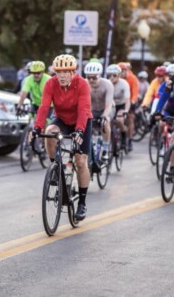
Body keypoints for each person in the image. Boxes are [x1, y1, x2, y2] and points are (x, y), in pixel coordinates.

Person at [31, 54, 92, 221]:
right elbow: (44, 107)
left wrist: (79, 131)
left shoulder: (82, 84)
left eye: (66, 72)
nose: (62, 76)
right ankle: (56, 168)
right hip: (62, 119)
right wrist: (37, 127)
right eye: (59, 72)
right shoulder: (51, 84)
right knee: (50, 131)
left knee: (80, 162)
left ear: (73, 72)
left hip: (82, 121)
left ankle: (82, 203)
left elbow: (83, 109)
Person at [84, 61, 114, 165]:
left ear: (99, 75)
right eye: (88, 77)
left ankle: (105, 149)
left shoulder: (107, 84)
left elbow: (109, 104)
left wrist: (104, 116)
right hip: (93, 110)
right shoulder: (84, 84)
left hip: (106, 108)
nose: (91, 80)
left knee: (105, 122)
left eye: (94, 77)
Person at [107, 64, 131, 152]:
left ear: (119, 75)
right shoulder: (107, 83)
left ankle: (124, 135)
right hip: (110, 105)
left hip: (121, 105)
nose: (111, 77)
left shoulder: (124, 84)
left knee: (119, 120)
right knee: (107, 122)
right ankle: (109, 141)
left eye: (114, 75)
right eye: (109, 75)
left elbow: (127, 100)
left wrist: (126, 110)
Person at [118, 62, 139, 152]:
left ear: (125, 71)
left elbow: (135, 92)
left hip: (130, 100)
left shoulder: (132, 78)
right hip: (119, 102)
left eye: (121, 72)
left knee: (130, 120)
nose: (120, 74)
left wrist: (133, 101)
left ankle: (129, 139)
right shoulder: (116, 78)